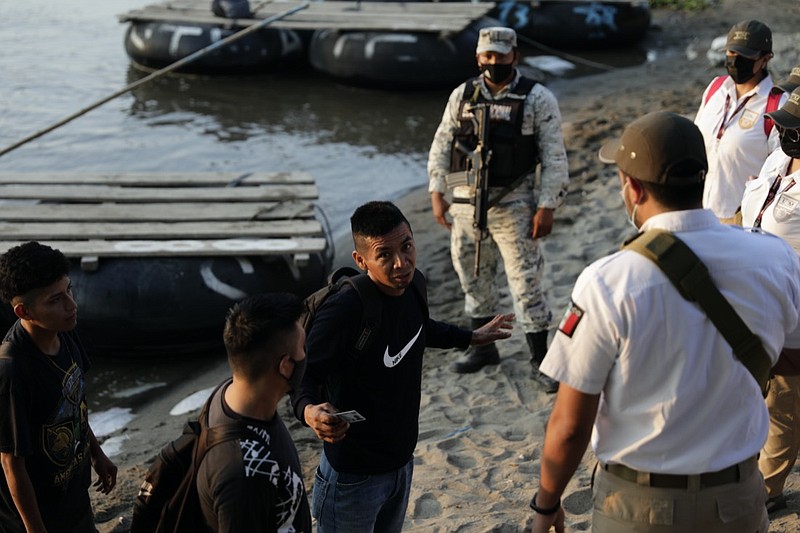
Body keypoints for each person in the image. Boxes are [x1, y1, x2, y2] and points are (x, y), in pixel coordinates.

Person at [530, 111, 800, 533]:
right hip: (739, 497)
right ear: (703, 175)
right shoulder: (773, 258)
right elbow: (792, 360)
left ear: (632, 188)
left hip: (639, 505)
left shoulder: (607, 281)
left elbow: (569, 426)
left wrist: (546, 504)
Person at [291, 200, 514, 532]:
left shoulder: (414, 286)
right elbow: (301, 373)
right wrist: (308, 411)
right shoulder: (345, 309)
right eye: (385, 255)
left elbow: (419, 329)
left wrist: (470, 337)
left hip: (401, 464)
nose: (401, 263)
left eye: (407, 246)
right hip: (353, 477)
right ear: (360, 259)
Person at [427, 26, 569, 390]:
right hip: (465, 200)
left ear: (514, 56)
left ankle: (541, 359)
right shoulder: (463, 95)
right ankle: (483, 349)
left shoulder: (536, 98)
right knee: (472, 275)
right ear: (478, 58)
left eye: (501, 56)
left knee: (525, 281)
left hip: (514, 201)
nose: (494, 62)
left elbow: (554, 156)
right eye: (488, 56)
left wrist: (547, 205)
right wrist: (436, 190)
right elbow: (443, 143)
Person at [0, 241, 118, 533]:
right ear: (24, 312)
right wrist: (35, 529)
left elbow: (75, 403)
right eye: (55, 300)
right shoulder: (13, 370)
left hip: (72, 495)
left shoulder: (64, 330)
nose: (71, 304)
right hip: (37, 513)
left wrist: (96, 453)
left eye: (69, 290)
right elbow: (11, 462)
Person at [197, 292, 311, 532]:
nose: (306, 354)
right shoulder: (244, 477)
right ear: (286, 366)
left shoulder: (229, 394)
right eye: (303, 347)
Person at [741, 85, 800, 515]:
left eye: (793, 128)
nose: (785, 133)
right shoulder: (778, 157)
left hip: (794, 311)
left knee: (783, 401)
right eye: (783, 125)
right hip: (753, 301)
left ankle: (770, 489)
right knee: (755, 395)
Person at [694, 19, 785, 223]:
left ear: (766, 58)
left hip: (739, 220)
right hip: (698, 213)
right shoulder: (715, 89)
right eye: (732, 53)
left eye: (745, 56)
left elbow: (781, 174)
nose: (736, 60)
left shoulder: (777, 106)